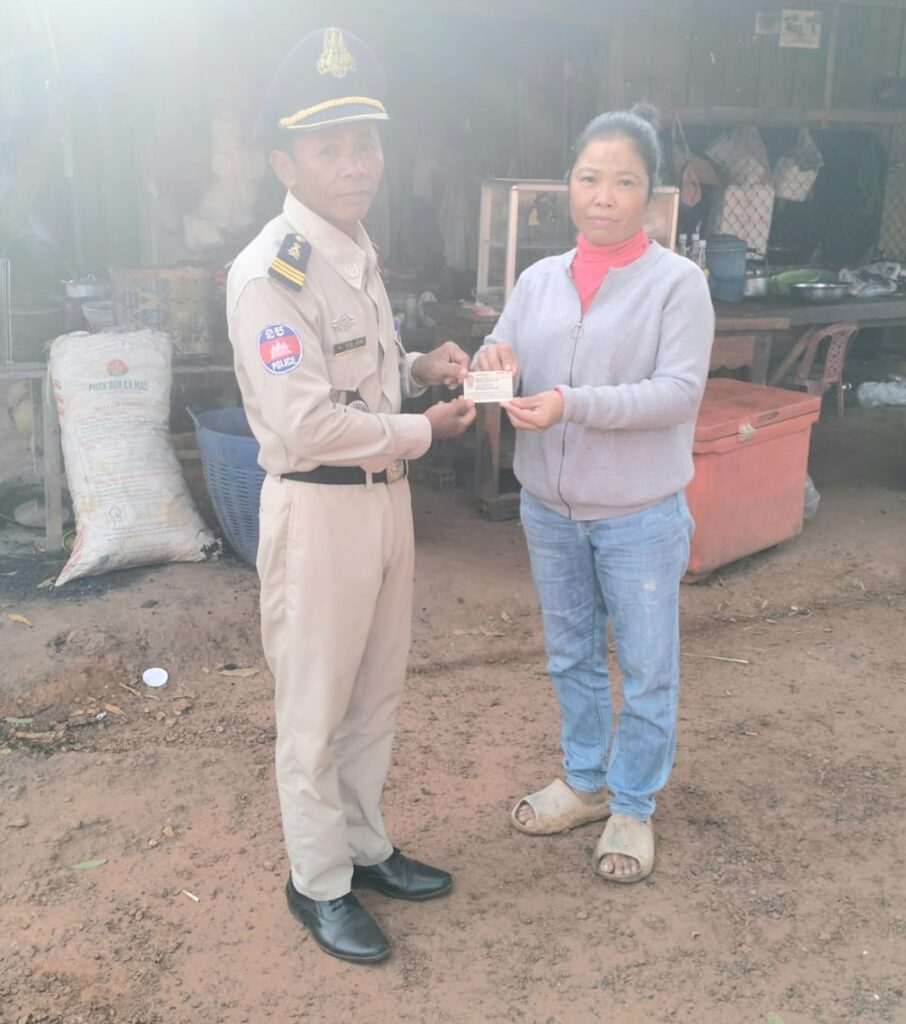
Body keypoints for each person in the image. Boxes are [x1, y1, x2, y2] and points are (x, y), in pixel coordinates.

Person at [226, 27, 476, 963]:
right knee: (315, 708)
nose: (355, 164)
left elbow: (359, 374)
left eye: (365, 143)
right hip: (320, 508)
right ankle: (318, 881)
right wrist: (423, 429)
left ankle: (365, 847)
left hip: (383, 503)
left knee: (375, 691)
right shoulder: (271, 271)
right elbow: (304, 423)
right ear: (284, 163)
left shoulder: (355, 247)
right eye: (329, 147)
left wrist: (417, 369)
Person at [475, 104, 714, 883]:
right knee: (571, 654)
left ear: (652, 195)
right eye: (588, 178)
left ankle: (633, 805)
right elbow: (496, 353)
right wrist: (492, 360)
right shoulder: (538, 279)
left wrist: (571, 403)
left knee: (646, 668)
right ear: (568, 185)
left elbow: (678, 393)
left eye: (624, 182)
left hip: (639, 515)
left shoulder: (677, 285)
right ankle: (585, 783)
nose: (603, 197)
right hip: (549, 510)